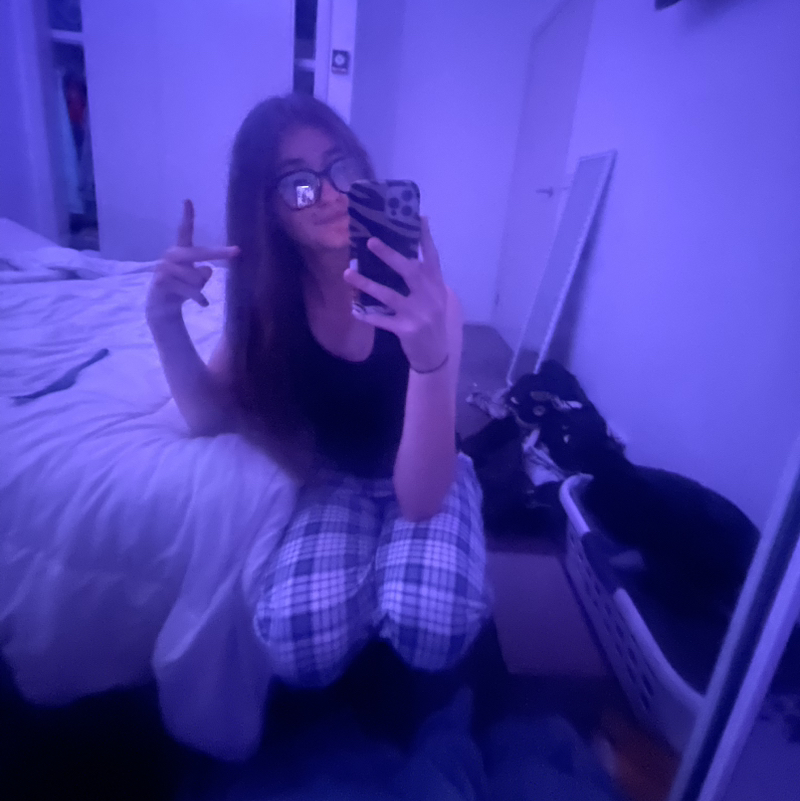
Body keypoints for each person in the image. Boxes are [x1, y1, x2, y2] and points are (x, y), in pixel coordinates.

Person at [145, 94, 490, 688]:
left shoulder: (432, 307)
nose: (330, 193)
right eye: (298, 184)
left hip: (428, 474)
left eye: (340, 167)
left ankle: (412, 682)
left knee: (433, 623)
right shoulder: (271, 305)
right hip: (335, 480)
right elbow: (208, 417)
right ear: (269, 209)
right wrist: (164, 320)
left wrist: (430, 362)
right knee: (296, 641)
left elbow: (419, 501)